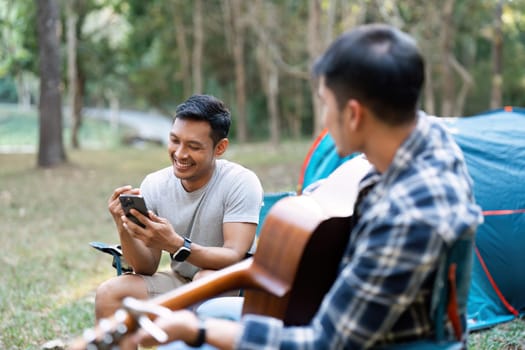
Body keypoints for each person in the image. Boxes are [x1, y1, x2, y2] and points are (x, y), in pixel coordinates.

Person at [123, 23, 483, 349]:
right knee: (218, 307)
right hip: (383, 324)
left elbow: (323, 343)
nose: (324, 119)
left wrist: (197, 331)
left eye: (325, 105)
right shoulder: (434, 141)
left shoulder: (407, 216)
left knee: (181, 342)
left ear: (354, 114)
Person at [94, 94, 264, 321]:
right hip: (182, 282)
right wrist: (122, 224)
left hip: (229, 284)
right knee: (109, 293)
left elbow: (233, 255)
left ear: (220, 147)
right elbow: (145, 267)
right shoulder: (155, 184)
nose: (180, 153)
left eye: (193, 146)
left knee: (204, 281)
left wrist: (176, 245)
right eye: (175, 140)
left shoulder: (240, 182)